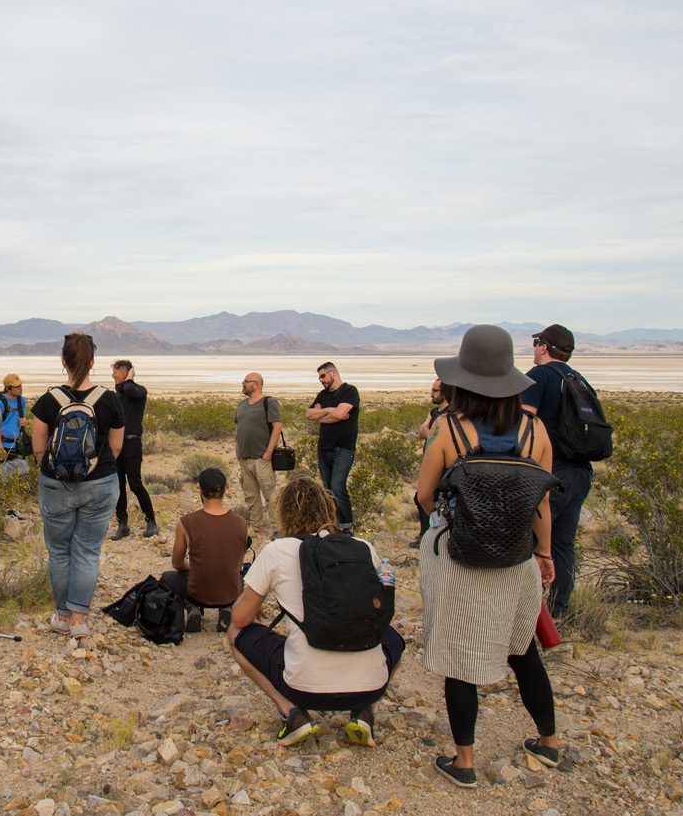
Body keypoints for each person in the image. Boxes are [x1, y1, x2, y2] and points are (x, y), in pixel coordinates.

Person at [416, 324, 562, 788]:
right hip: (516, 558)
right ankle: (551, 742)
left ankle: (464, 761)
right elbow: (541, 502)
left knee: (460, 660)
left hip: (462, 556)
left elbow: (423, 496)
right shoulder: (535, 430)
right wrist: (544, 553)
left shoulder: (448, 429)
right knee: (524, 650)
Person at [228, 479, 404, 748]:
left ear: (284, 513)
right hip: (371, 685)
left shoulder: (277, 551)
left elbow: (240, 618)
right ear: (327, 509)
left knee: (235, 634)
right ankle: (364, 710)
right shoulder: (363, 548)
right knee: (392, 637)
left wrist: (254, 598)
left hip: (303, 688)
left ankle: (292, 713)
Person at [30, 333, 125, 639]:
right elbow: (117, 447)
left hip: (55, 485)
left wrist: (55, 472)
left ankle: (61, 615)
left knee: (59, 551)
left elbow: (39, 450)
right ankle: (79, 621)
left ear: (63, 362)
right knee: (87, 550)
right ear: (93, 363)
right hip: (100, 483)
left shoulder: (48, 401)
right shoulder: (109, 400)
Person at [522, 324, 592, 621]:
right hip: (580, 472)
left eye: (536, 341)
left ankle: (528, 614)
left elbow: (525, 424)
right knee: (563, 543)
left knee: (530, 540)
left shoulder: (539, 376)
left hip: (551, 472)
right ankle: (559, 609)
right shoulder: (578, 379)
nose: (534, 347)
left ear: (544, 346)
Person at [160, 468, 251, 631]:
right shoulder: (241, 523)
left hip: (197, 592)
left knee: (167, 578)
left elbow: (177, 563)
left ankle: (192, 608)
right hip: (230, 591)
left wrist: (193, 567)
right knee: (241, 576)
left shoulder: (186, 523)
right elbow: (235, 561)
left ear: (200, 490)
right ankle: (227, 608)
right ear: (225, 490)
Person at [305, 362, 360, 531]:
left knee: (337, 487)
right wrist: (331, 411)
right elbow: (309, 414)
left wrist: (323, 413)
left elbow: (340, 413)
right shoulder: (322, 394)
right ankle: (333, 525)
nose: (320, 380)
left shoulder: (349, 391)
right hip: (324, 448)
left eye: (323, 376)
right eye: (319, 377)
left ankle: (346, 527)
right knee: (328, 490)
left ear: (333, 373)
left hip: (343, 449)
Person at [109, 359, 158, 539]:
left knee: (135, 484)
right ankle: (122, 524)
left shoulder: (138, 390)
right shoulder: (118, 395)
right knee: (118, 485)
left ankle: (151, 521)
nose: (113, 375)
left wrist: (129, 379)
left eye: (116, 372)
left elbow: (130, 390)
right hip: (117, 445)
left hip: (132, 443)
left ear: (126, 372)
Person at [233, 372, 282, 538]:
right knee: (251, 496)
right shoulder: (242, 405)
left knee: (270, 494)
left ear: (257, 384)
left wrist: (268, 453)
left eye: (246, 381)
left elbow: (277, 427)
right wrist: (237, 450)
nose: (243, 383)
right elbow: (238, 428)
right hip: (244, 458)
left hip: (262, 459)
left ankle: (278, 528)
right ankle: (257, 528)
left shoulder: (268, 403)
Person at [411, 380, 449, 546]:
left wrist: (430, 433)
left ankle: (431, 535)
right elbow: (423, 430)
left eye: (435, 390)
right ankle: (426, 534)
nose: (431, 393)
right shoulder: (434, 412)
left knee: (427, 497)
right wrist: (431, 433)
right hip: (430, 461)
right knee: (420, 497)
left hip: (443, 465)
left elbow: (431, 433)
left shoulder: (450, 414)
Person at [0, 373, 29, 461]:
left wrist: (24, 422)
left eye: (21, 385)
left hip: (16, 447)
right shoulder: (0, 402)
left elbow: (18, 420)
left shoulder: (22, 401)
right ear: (8, 388)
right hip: (2, 446)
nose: (20, 388)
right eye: (17, 386)